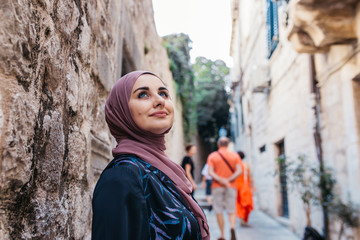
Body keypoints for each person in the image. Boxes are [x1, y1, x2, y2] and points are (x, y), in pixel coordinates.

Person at [92, 71, 209, 240]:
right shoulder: (122, 176)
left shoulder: (163, 170)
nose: (160, 101)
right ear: (121, 110)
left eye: (163, 93)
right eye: (143, 94)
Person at [207, 137, 242, 240]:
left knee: (219, 210)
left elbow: (210, 172)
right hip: (231, 186)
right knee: (232, 210)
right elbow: (239, 171)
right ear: (227, 144)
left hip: (217, 186)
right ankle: (232, 227)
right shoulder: (235, 155)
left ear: (218, 144)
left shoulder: (212, 156)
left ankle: (222, 234)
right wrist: (228, 180)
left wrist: (221, 180)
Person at [236, 151, 254, 227]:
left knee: (239, 203)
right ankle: (243, 219)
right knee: (246, 203)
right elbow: (250, 177)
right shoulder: (246, 165)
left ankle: (242, 219)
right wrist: (252, 186)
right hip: (245, 186)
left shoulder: (235, 165)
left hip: (237, 186)